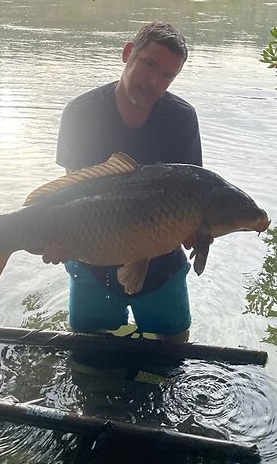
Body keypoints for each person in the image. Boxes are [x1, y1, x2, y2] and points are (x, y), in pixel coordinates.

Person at [44, 22, 202, 342]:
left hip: (162, 266)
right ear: (128, 53)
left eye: (168, 75)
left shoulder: (182, 118)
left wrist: (198, 231)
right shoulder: (81, 112)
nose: (155, 81)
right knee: (91, 355)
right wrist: (56, 236)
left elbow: (194, 193)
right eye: (149, 65)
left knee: (171, 353)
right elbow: (72, 193)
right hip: (92, 260)